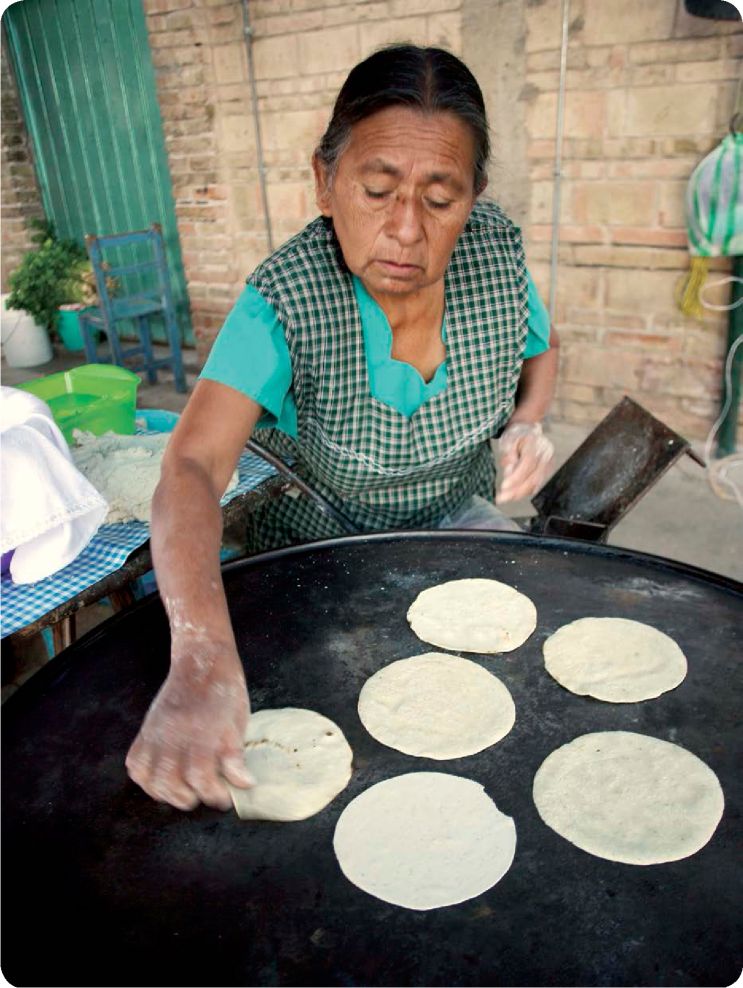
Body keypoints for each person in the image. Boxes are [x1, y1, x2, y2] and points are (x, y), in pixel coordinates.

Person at [126, 44, 559, 811]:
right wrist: (200, 652)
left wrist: (527, 421)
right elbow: (190, 468)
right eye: (376, 189)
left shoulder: (494, 255)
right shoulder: (283, 303)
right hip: (318, 545)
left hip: (453, 519)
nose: (405, 230)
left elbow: (542, 346)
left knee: (528, 690)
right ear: (325, 181)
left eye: (439, 198)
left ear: (475, 196)